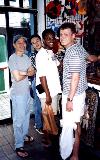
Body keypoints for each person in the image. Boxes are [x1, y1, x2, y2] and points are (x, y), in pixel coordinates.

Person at [59, 22, 98, 160]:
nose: (62, 37)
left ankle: (74, 156)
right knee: (75, 124)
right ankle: (74, 154)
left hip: (73, 96)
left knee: (71, 127)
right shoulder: (78, 48)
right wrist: (98, 57)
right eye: (61, 34)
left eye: (66, 35)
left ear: (73, 36)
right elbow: (91, 58)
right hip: (78, 94)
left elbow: (74, 78)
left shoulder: (73, 52)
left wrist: (69, 100)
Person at [8, 35, 35, 158]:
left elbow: (33, 71)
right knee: (18, 121)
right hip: (18, 94)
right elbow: (17, 78)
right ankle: (19, 145)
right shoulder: (12, 58)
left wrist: (22, 72)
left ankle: (24, 136)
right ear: (14, 45)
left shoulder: (27, 57)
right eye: (18, 42)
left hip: (26, 92)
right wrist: (25, 73)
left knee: (25, 118)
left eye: (23, 42)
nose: (22, 44)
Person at [35, 29, 61, 145]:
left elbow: (58, 66)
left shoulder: (51, 52)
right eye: (48, 38)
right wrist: (48, 95)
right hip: (47, 92)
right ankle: (46, 139)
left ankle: (50, 135)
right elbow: (42, 77)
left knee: (52, 114)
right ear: (44, 40)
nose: (51, 41)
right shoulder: (41, 55)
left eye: (52, 38)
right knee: (46, 115)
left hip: (53, 90)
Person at [30, 34, 43, 134]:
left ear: (41, 40)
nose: (36, 44)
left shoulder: (47, 52)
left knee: (46, 104)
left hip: (46, 81)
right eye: (33, 43)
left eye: (37, 41)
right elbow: (38, 70)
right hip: (38, 83)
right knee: (38, 104)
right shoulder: (33, 56)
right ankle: (38, 125)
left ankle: (45, 124)